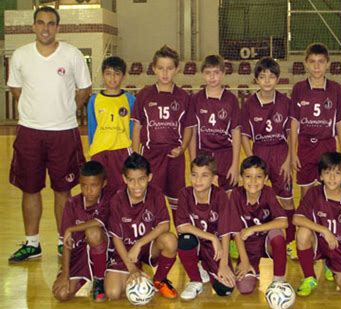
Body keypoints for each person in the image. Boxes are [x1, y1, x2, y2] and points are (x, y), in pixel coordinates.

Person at [8, 6, 91, 262]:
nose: (46, 27)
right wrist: (36, 113)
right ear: (33, 26)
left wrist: (65, 110)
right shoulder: (20, 56)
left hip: (63, 132)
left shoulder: (72, 55)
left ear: (58, 27)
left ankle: (62, 240)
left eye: (51, 23)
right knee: (29, 189)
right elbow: (16, 89)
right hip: (30, 132)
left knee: (63, 191)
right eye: (41, 23)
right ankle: (32, 244)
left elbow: (84, 89)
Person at [240, 57, 297, 258]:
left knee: (287, 200)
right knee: (256, 197)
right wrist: (252, 159)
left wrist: (290, 158)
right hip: (260, 151)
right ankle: (251, 238)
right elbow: (245, 135)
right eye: (262, 76)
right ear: (256, 79)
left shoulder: (285, 102)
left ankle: (290, 241)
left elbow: (291, 132)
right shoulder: (248, 103)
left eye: (271, 77)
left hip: (280, 152)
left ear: (277, 79)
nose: (267, 80)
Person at [104, 153, 178, 299]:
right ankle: (135, 271)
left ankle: (159, 279)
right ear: (124, 179)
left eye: (141, 179)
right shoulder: (117, 199)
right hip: (125, 250)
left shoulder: (156, 194)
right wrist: (131, 268)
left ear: (149, 177)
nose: (136, 185)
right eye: (131, 180)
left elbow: (164, 225)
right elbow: (117, 239)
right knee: (112, 294)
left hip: (147, 246)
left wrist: (139, 244)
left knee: (170, 240)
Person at [131, 45, 192, 218]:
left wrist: (183, 148)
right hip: (151, 156)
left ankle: (183, 239)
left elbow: (188, 128)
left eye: (169, 68)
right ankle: (149, 239)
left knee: (177, 202)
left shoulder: (184, 97)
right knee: (150, 200)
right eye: (161, 68)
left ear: (177, 70)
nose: (165, 73)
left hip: (174, 156)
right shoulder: (144, 95)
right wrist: (136, 156)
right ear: (153, 69)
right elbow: (137, 127)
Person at [293, 152, 341, 296]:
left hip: (339, 246)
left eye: (337, 173)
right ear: (321, 176)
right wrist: (324, 230)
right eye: (327, 173)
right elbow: (296, 219)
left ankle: (330, 264)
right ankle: (309, 277)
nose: (332, 178)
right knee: (303, 232)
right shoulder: (314, 193)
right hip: (320, 242)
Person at [290, 43, 341, 200]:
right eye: (312, 61)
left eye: (321, 61)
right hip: (305, 146)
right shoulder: (299, 88)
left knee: (329, 189)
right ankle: (307, 222)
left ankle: (325, 222)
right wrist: (292, 152)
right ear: (306, 63)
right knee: (306, 193)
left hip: (327, 145)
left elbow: (340, 122)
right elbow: (294, 123)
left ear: (328, 63)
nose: (317, 66)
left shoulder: (336, 89)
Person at [175, 154, 236, 300]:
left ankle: (205, 265)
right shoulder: (184, 193)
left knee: (225, 289)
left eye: (204, 175)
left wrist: (224, 264)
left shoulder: (220, 196)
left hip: (215, 248)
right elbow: (182, 226)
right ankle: (195, 280)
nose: (198, 180)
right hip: (197, 242)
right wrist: (211, 237)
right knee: (185, 239)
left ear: (214, 178)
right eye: (194, 175)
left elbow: (226, 231)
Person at [52, 161, 110, 302]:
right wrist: (65, 274)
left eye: (94, 185)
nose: (88, 190)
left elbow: (97, 222)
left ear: (103, 183)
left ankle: (99, 280)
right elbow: (67, 242)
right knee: (61, 294)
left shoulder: (109, 198)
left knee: (93, 232)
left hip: (104, 254)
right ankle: (84, 281)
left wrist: (71, 228)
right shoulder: (72, 203)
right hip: (78, 257)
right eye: (84, 185)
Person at [230, 156, 289, 294]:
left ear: (266, 178)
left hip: (266, 242)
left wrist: (253, 229)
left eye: (258, 177)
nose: (253, 182)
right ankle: (254, 270)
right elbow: (235, 230)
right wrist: (244, 261)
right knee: (244, 289)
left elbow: (283, 221)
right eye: (248, 176)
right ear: (241, 178)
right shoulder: (235, 195)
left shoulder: (268, 192)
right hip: (248, 248)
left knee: (278, 236)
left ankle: (278, 281)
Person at [185, 54, 241, 192]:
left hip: (225, 155)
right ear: (202, 74)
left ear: (223, 73)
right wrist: (193, 162)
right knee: (204, 194)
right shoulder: (195, 99)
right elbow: (192, 133)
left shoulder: (231, 99)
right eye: (208, 73)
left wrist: (235, 164)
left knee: (229, 197)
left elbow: (236, 132)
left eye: (216, 73)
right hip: (203, 155)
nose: (212, 77)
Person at [87, 56, 135, 195]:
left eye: (117, 74)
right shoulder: (94, 100)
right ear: (103, 75)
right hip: (100, 150)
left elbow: (132, 126)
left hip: (122, 150)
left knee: (121, 188)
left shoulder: (130, 99)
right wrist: (93, 149)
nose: (112, 78)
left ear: (123, 76)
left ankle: (120, 216)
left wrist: (132, 148)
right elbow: (92, 127)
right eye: (108, 74)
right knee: (100, 188)